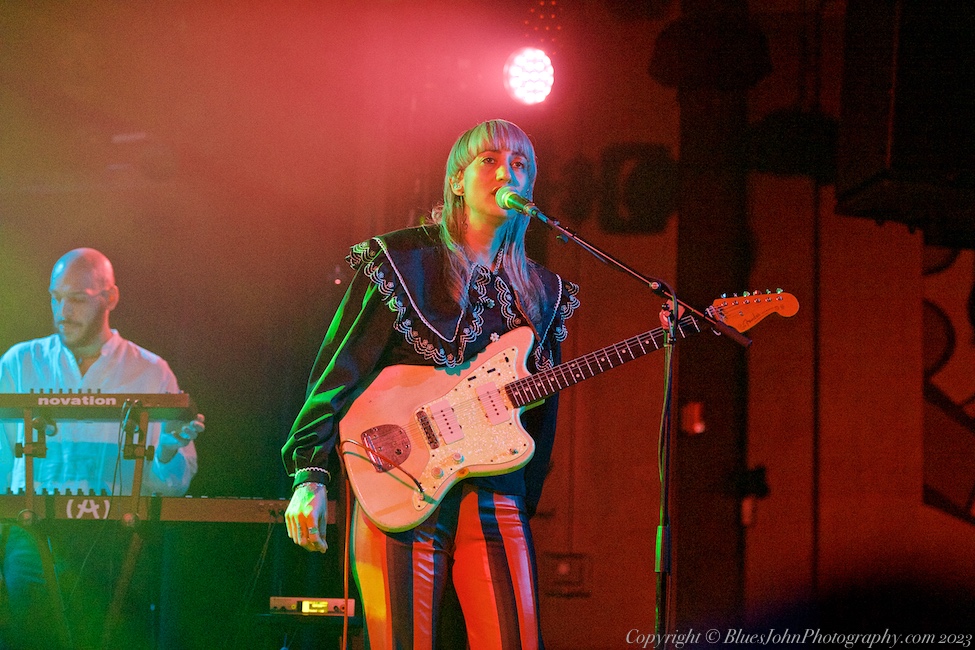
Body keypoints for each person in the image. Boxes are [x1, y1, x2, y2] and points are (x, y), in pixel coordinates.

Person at [282, 119, 580, 649]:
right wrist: (311, 473)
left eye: (519, 164)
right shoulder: (402, 262)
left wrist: (527, 493)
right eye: (488, 160)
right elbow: (338, 371)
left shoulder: (543, 289)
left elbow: (543, 412)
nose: (505, 172)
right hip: (398, 475)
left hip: (496, 489)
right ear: (457, 181)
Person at [0, 248, 204, 650]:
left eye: (76, 299)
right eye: (56, 297)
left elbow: (175, 482)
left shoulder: (149, 370)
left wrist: (163, 452)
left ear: (109, 298)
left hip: (116, 535)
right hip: (30, 531)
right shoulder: (19, 364)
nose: (63, 310)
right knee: (29, 637)